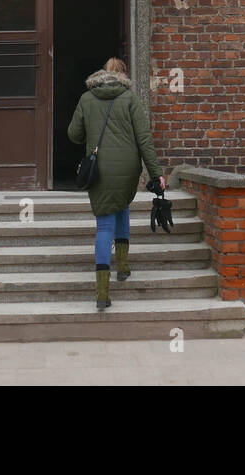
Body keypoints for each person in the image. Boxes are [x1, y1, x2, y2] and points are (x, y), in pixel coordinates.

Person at [68, 58, 165, 310]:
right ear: (123, 76)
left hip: (100, 168)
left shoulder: (86, 99)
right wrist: (156, 173)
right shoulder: (130, 98)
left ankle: (102, 293)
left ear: (102, 74)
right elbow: (144, 139)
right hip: (127, 166)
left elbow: (74, 135)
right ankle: (123, 267)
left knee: (104, 225)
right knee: (121, 205)